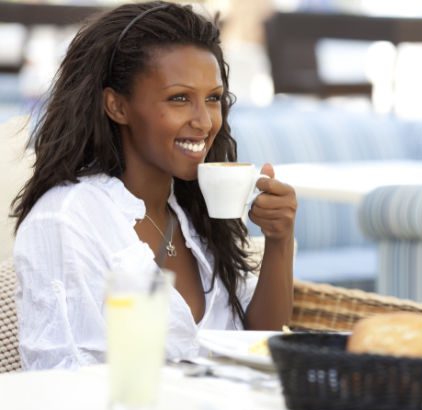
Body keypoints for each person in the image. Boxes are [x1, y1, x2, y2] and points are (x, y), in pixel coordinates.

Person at [10, 1, 296, 370]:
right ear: (117, 106)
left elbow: (257, 345)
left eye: (212, 98)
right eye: (179, 98)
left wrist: (279, 239)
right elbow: (63, 385)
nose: (205, 121)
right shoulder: (69, 221)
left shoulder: (193, 213)